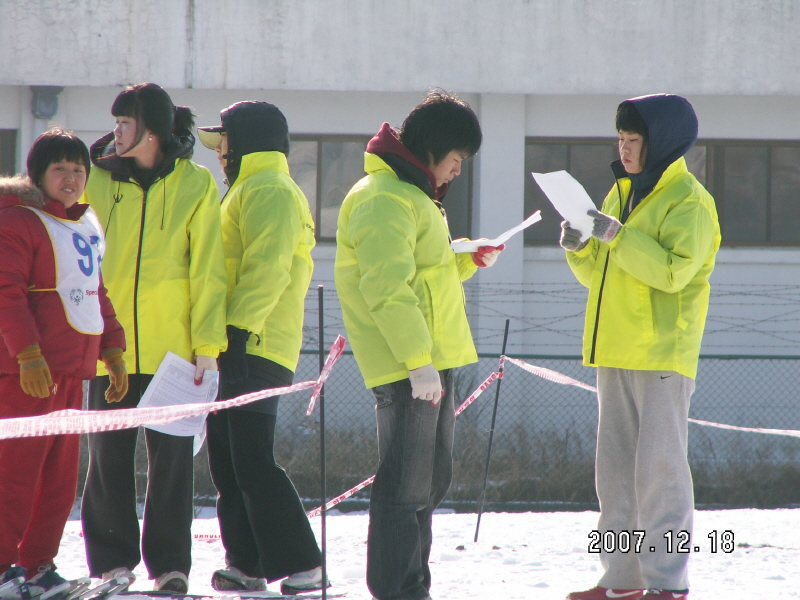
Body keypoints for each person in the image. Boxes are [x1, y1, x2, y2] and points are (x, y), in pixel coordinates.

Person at [335, 90, 503, 600]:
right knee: (405, 488)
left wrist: (466, 259)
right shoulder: (383, 198)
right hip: (410, 366)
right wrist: (416, 362)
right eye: (457, 160)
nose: (457, 172)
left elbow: (424, 275)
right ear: (435, 148)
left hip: (432, 361)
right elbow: (388, 289)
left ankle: (413, 584)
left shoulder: (412, 197)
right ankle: (397, 589)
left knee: (428, 483)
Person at [561, 94, 720, 600]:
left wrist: (616, 235)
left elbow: (673, 273)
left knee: (660, 475)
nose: (624, 150)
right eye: (622, 140)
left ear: (662, 143)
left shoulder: (690, 202)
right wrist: (580, 248)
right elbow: (603, 275)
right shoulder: (619, 194)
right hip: (615, 351)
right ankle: (621, 581)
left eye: (633, 141)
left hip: (661, 356)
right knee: (615, 478)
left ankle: (666, 584)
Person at [80, 83, 228, 593]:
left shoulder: (196, 184)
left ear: (152, 131)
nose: (116, 131)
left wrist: (207, 347)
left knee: (172, 465)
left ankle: (171, 566)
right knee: (107, 458)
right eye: (116, 121)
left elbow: (209, 270)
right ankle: (111, 563)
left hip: (175, 353)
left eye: (126, 123)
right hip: (109, 348)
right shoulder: (93, 180)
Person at [196, 101, 326, 595]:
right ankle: (246, 563)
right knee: (229, 461)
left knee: (251, 458)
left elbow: (266, 269)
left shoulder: (269, 189)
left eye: (224, 143)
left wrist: (235, 334)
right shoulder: (248, 188)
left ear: (247, 141)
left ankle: (304, 562)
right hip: (235, 342)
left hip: (253, 343)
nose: (220, 154)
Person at [0, 129, 127, 599]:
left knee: (56, 482)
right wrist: (27, 353)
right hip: (27, 374)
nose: (71, 178)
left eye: (79, 169)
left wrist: (113, 351)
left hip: (73, 371)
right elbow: (5, 294)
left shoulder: (84, 225)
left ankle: (38, 565)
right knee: (15, 475)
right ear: (37, 175)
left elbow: (96, 292)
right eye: (60, 169)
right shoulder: (18, 222)